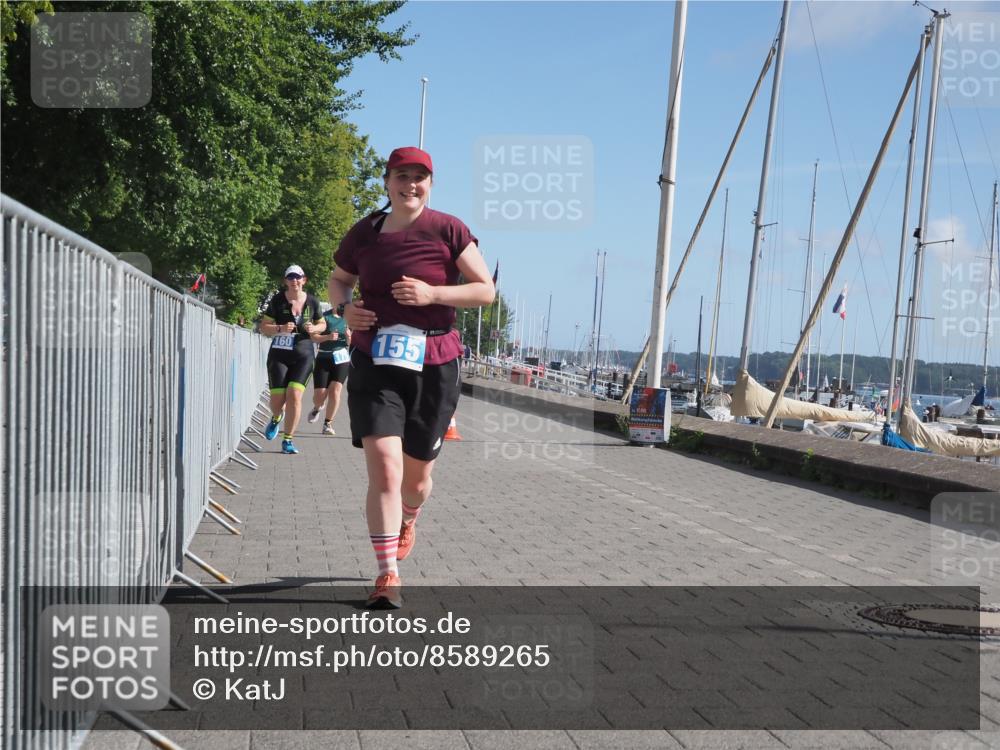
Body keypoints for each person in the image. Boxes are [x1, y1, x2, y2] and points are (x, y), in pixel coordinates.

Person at [328, 146, 494, 608]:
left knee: (416, 480)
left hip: (436, 361)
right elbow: (339, 279)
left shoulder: (449, 229)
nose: (410, 185)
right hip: (375, 358)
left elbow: (485, 291)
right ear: (387, 182)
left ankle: (409, 517)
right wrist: (345, 311)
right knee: (384, 466)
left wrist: (432, 293)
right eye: (401, 176)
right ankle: (388, 576)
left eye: (419, 177)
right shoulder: (365, 233)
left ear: (431, 184)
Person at [259, 265, 324, 454]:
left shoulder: (312, 301)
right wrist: (280, 328)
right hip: (279, 354)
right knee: (277, 401)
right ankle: (276, 417)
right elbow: (264, 326)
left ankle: (288, 440)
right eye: (290, 277)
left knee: (295, 395)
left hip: (303, 354)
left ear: (304, 280)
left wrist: (315, 329)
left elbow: (322, 323)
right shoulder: (278, 300)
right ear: (285, 281)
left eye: (298, 277)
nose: (294, 281)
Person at [308, 305, 352, 435]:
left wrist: (349, 338)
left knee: (335, 390)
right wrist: (327, 337)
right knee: (319, 396)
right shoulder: (324, 317)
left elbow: (353, 342)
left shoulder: (349, 318)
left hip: (342, 358)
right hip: (324, 357)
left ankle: (328, 423)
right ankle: (318, 407)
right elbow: (313, 337)